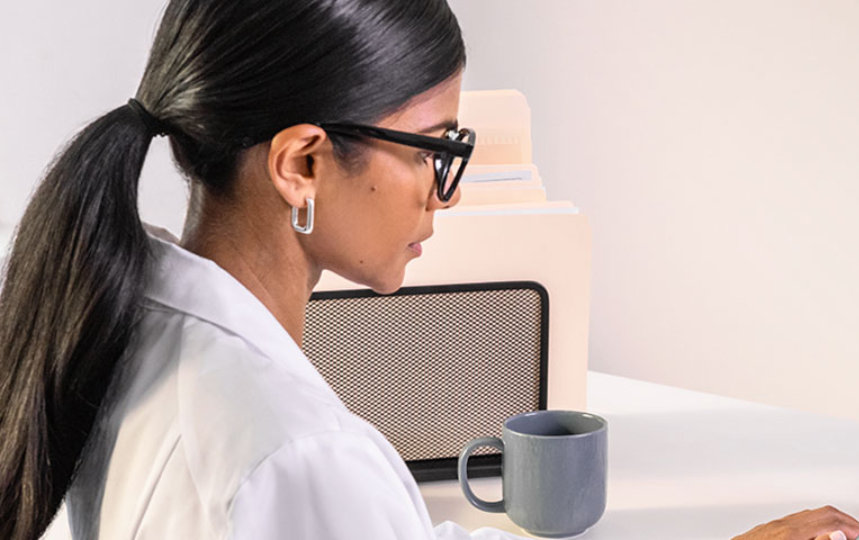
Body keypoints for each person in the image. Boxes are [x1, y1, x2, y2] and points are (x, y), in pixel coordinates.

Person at [0, 2, 856, 540]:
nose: (442, 196)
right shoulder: (298, 454)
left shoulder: (127, 304)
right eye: (434, 148)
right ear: (300, 164)